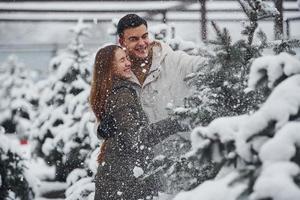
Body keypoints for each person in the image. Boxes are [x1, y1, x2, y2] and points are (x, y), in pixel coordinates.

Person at [90, 45, 184, 200]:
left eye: (127, 58)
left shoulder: (112, 90)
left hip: (118, 177)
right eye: (122, 60)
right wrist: (177, 122)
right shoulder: (122, 94)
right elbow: (136, 139)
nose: (128, 63)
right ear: (110, 68)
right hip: (126, 182)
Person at [117, 14, 207, 123]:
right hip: (144, 139)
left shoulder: (173, 61)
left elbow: (202, 65)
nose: (141, 43)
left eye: (144, 36)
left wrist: (227, 59)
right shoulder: (119, 73)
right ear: (122, 42)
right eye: (134, 39)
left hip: (181, 139)